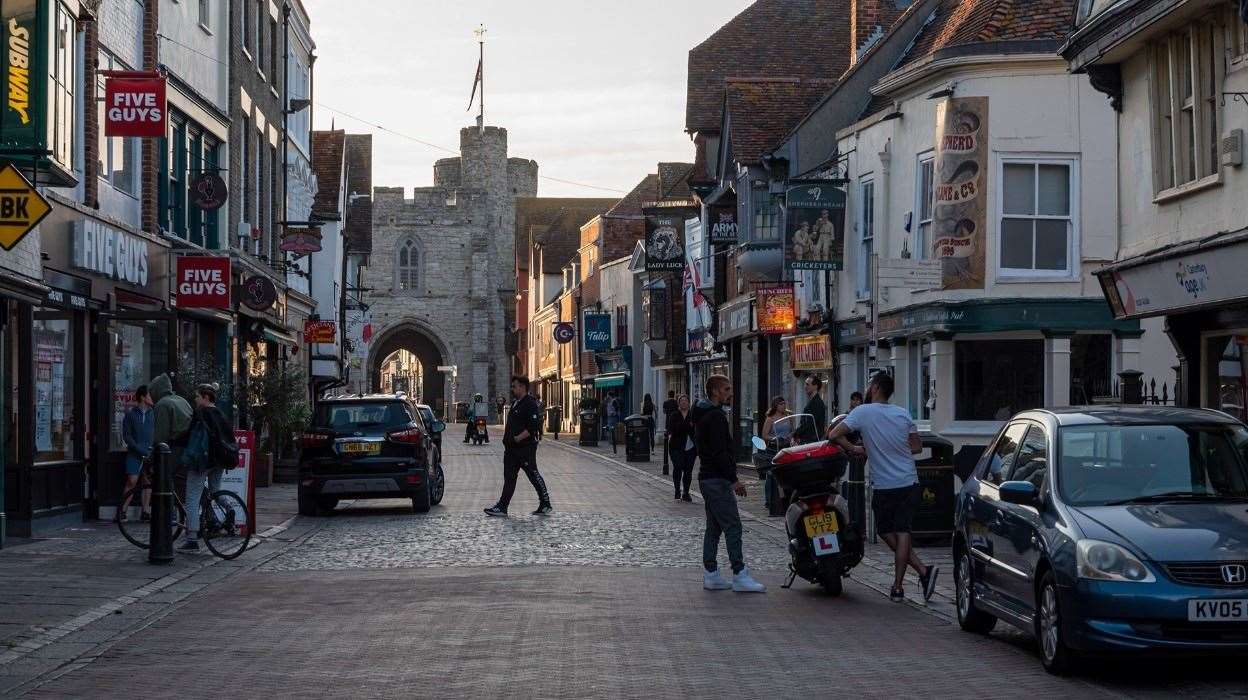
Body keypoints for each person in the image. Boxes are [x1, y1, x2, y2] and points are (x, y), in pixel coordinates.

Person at [827, 372, 939, 602]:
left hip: (886, 484)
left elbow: (834, 434)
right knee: (895, 531)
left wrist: (855, 448)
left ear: (876, 387)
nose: (868, 389)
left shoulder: (862, 412)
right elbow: (917, 447)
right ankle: (923, 571)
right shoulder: (903, 413)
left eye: (870, 385)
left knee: (895, 531)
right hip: (908, 481)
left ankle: (898, 586)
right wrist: (895, 446)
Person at [693, 375, 765, 593]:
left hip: (708, 477)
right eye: (726, 389)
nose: (730, 393)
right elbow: (719, 452)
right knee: (733, 526)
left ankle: (712, 574)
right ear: (715, 392)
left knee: (714, 527)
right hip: (717, 479)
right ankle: (739, 574)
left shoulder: (703, 414)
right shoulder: (715, 417)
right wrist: (733, 480)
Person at [176, 383, 235, 553]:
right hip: (219, 461)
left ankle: (192, 539)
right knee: (215, 491)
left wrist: (171, 442)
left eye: (197, 396)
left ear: (206, 397)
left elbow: (188, 436)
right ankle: (229, 508)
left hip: (202, 461)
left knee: (192, 498)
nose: (195, 399)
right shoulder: (221, 414)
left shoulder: (201, 413)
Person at [485, 376, 552, 517]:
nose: (512, 389)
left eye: (514, 386)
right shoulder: (516, 403)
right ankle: (502, 507)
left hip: (524, 448)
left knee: (533, 474)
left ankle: (545, 503)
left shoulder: (530, 403)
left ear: (522, 387)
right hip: (511, 449)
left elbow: (533, 426)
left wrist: (518, 438)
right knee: (509, 478)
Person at [116, 385, 155, 522]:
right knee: (132, 481)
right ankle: (122, 511)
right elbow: (127, 436)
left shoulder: (154, 414)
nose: (152, 398)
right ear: (143, 397)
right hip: (134, 453)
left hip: (150, 453)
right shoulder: (131, 414)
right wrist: (137, 448)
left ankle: (145, 511)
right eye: (150, 395)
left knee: (147, 481)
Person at [759, 396, 792, 513]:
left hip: (786, 447)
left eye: (784, 403)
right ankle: (769, 500)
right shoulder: (770, 418)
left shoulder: (787, 417)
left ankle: (784, 498)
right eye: (781, 404)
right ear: (776, 405)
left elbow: (790, 431)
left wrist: (790, 437)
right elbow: (764, 435)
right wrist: (774, 438)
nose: (784, 406)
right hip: (774, 448)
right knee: (771, 474)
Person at [666, 395, 696, 502]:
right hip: (676, 447)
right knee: (678, 467)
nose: (684, 402)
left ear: (689, 403)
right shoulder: (674, 415)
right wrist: (688, 425)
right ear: (678, 403)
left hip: (691, 447)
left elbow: (696, 429)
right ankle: (677, 490)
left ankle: (686, 492)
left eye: (686, 401)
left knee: (688, 471)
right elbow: (673, 429)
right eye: (681, 401)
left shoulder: (693, 415)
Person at [801, 375, 828, 442]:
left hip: (812, 440)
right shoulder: (813, 401)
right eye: (805, 384)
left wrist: (796, 434)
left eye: (807, 384)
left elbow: (809, 423)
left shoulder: (816, 403)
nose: (805, 387)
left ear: (815, 386)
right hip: (810, 438)